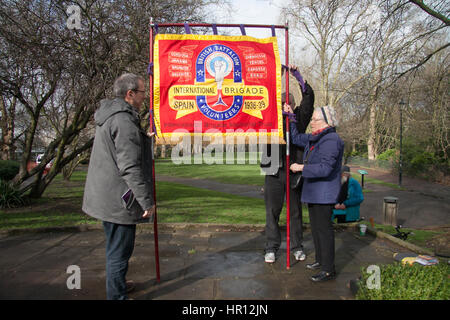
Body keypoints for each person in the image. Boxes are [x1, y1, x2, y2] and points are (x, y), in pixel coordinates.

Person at [82, 73, 156, 300]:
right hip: (117, 200)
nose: (146, 97)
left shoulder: (113, 115)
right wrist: (147, 201)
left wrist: (144, 138)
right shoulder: (124, 122)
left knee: (115, 247)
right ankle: (117, 295)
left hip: (105, 196)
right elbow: (130, 167)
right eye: (143, 92)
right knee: (119, 253)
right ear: (130, 94)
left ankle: (119, 284)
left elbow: (120, 150)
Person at [260, 65, 314, 264]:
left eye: (289, 102)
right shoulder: (270, 118)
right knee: (272, 212)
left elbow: (309, 100)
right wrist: (279, 75)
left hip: (294, 172)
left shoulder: (298, 119)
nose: (286, 105)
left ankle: (297, 246)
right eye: (282, 102)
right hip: (273, 170)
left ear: (293, 104)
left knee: (295, 212)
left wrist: (297, 76)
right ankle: (271, 247)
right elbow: (264, 96)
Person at [287, 105, 344, 282]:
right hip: (314, 192)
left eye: (315, 120)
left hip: (323, 193)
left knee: (324, 231)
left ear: (326, 122)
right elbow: (295, 137)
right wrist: (291, 117)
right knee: (317, 230)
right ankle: (320, 260)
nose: (311, 122)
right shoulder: (316, 138)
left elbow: (325, 168)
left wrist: (301, 167)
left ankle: (328, 269)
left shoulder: (331, 140)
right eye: (312, 119)